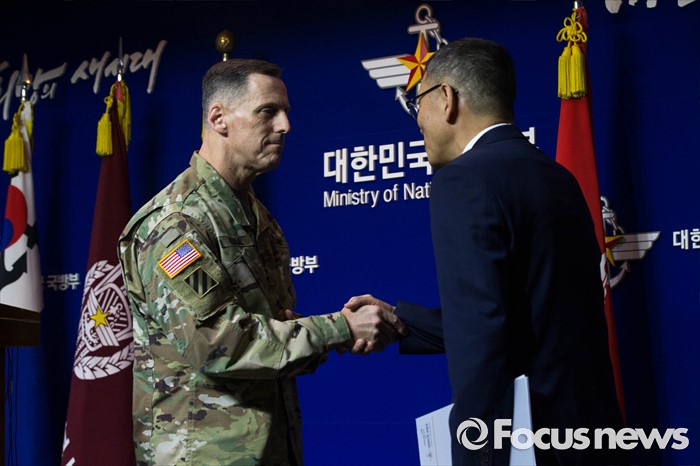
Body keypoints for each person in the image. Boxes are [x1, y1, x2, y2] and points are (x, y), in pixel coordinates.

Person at [346, 38, 625, 465]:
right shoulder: (559, 177)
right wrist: (400, 322)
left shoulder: (464, 180)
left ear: (446, 98)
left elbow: (483, 346)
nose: (417, 118)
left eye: (418, 102)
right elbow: (527, 318)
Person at [117, 58, 405, 466]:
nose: (285, 126)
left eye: (285, 112)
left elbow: (270, 330)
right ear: (218, 118)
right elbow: (221, 344)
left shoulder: (254, 216)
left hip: (270, 448)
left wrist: (342, 330)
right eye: (267, 112)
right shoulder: (176, 223)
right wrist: (339, 327)